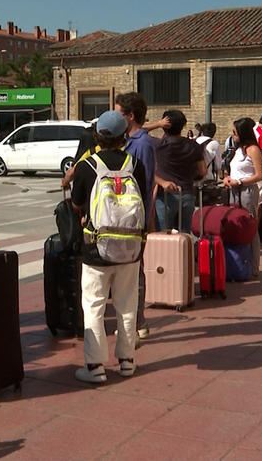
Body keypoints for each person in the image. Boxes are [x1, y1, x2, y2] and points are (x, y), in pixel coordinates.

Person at [69, 110, 148, 384]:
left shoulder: (87, 166)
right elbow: (145, 203)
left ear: (97, 135)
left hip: (95, 247)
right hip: (130, 246)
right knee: (127, 304)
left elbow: (77, 203)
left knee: (94, 305)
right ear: (123, 136)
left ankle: (95, 367)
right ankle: (127, 361)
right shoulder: (136, 164)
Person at [114, 92, 155, 341]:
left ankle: (137, 323)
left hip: (135, 217)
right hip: (126, 216)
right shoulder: (129, 141)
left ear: (130, 116)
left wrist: (142, 220)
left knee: (134, 270)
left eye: (118, 113)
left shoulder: (143, 144)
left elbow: (145, 183)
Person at [222, 117, 262, 278]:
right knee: (236, 225)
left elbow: (259, 175)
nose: (233, 135)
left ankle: (254, 267)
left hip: (247, 191)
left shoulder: (253, 149)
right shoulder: (237, 149)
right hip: (234, 190)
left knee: (250, 226)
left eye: (235, 132)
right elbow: (232, 169)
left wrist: (239, 181)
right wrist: (228, 178)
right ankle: (239, 263)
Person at [153, 109, 206, 234]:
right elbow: (203, 170)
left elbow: (135, 132)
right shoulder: (193, 145)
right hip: (187, 192)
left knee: (163, 235)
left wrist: (157, 123)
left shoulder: (158, 145)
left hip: (166, 194)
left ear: (165, 126)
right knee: (184, 235)